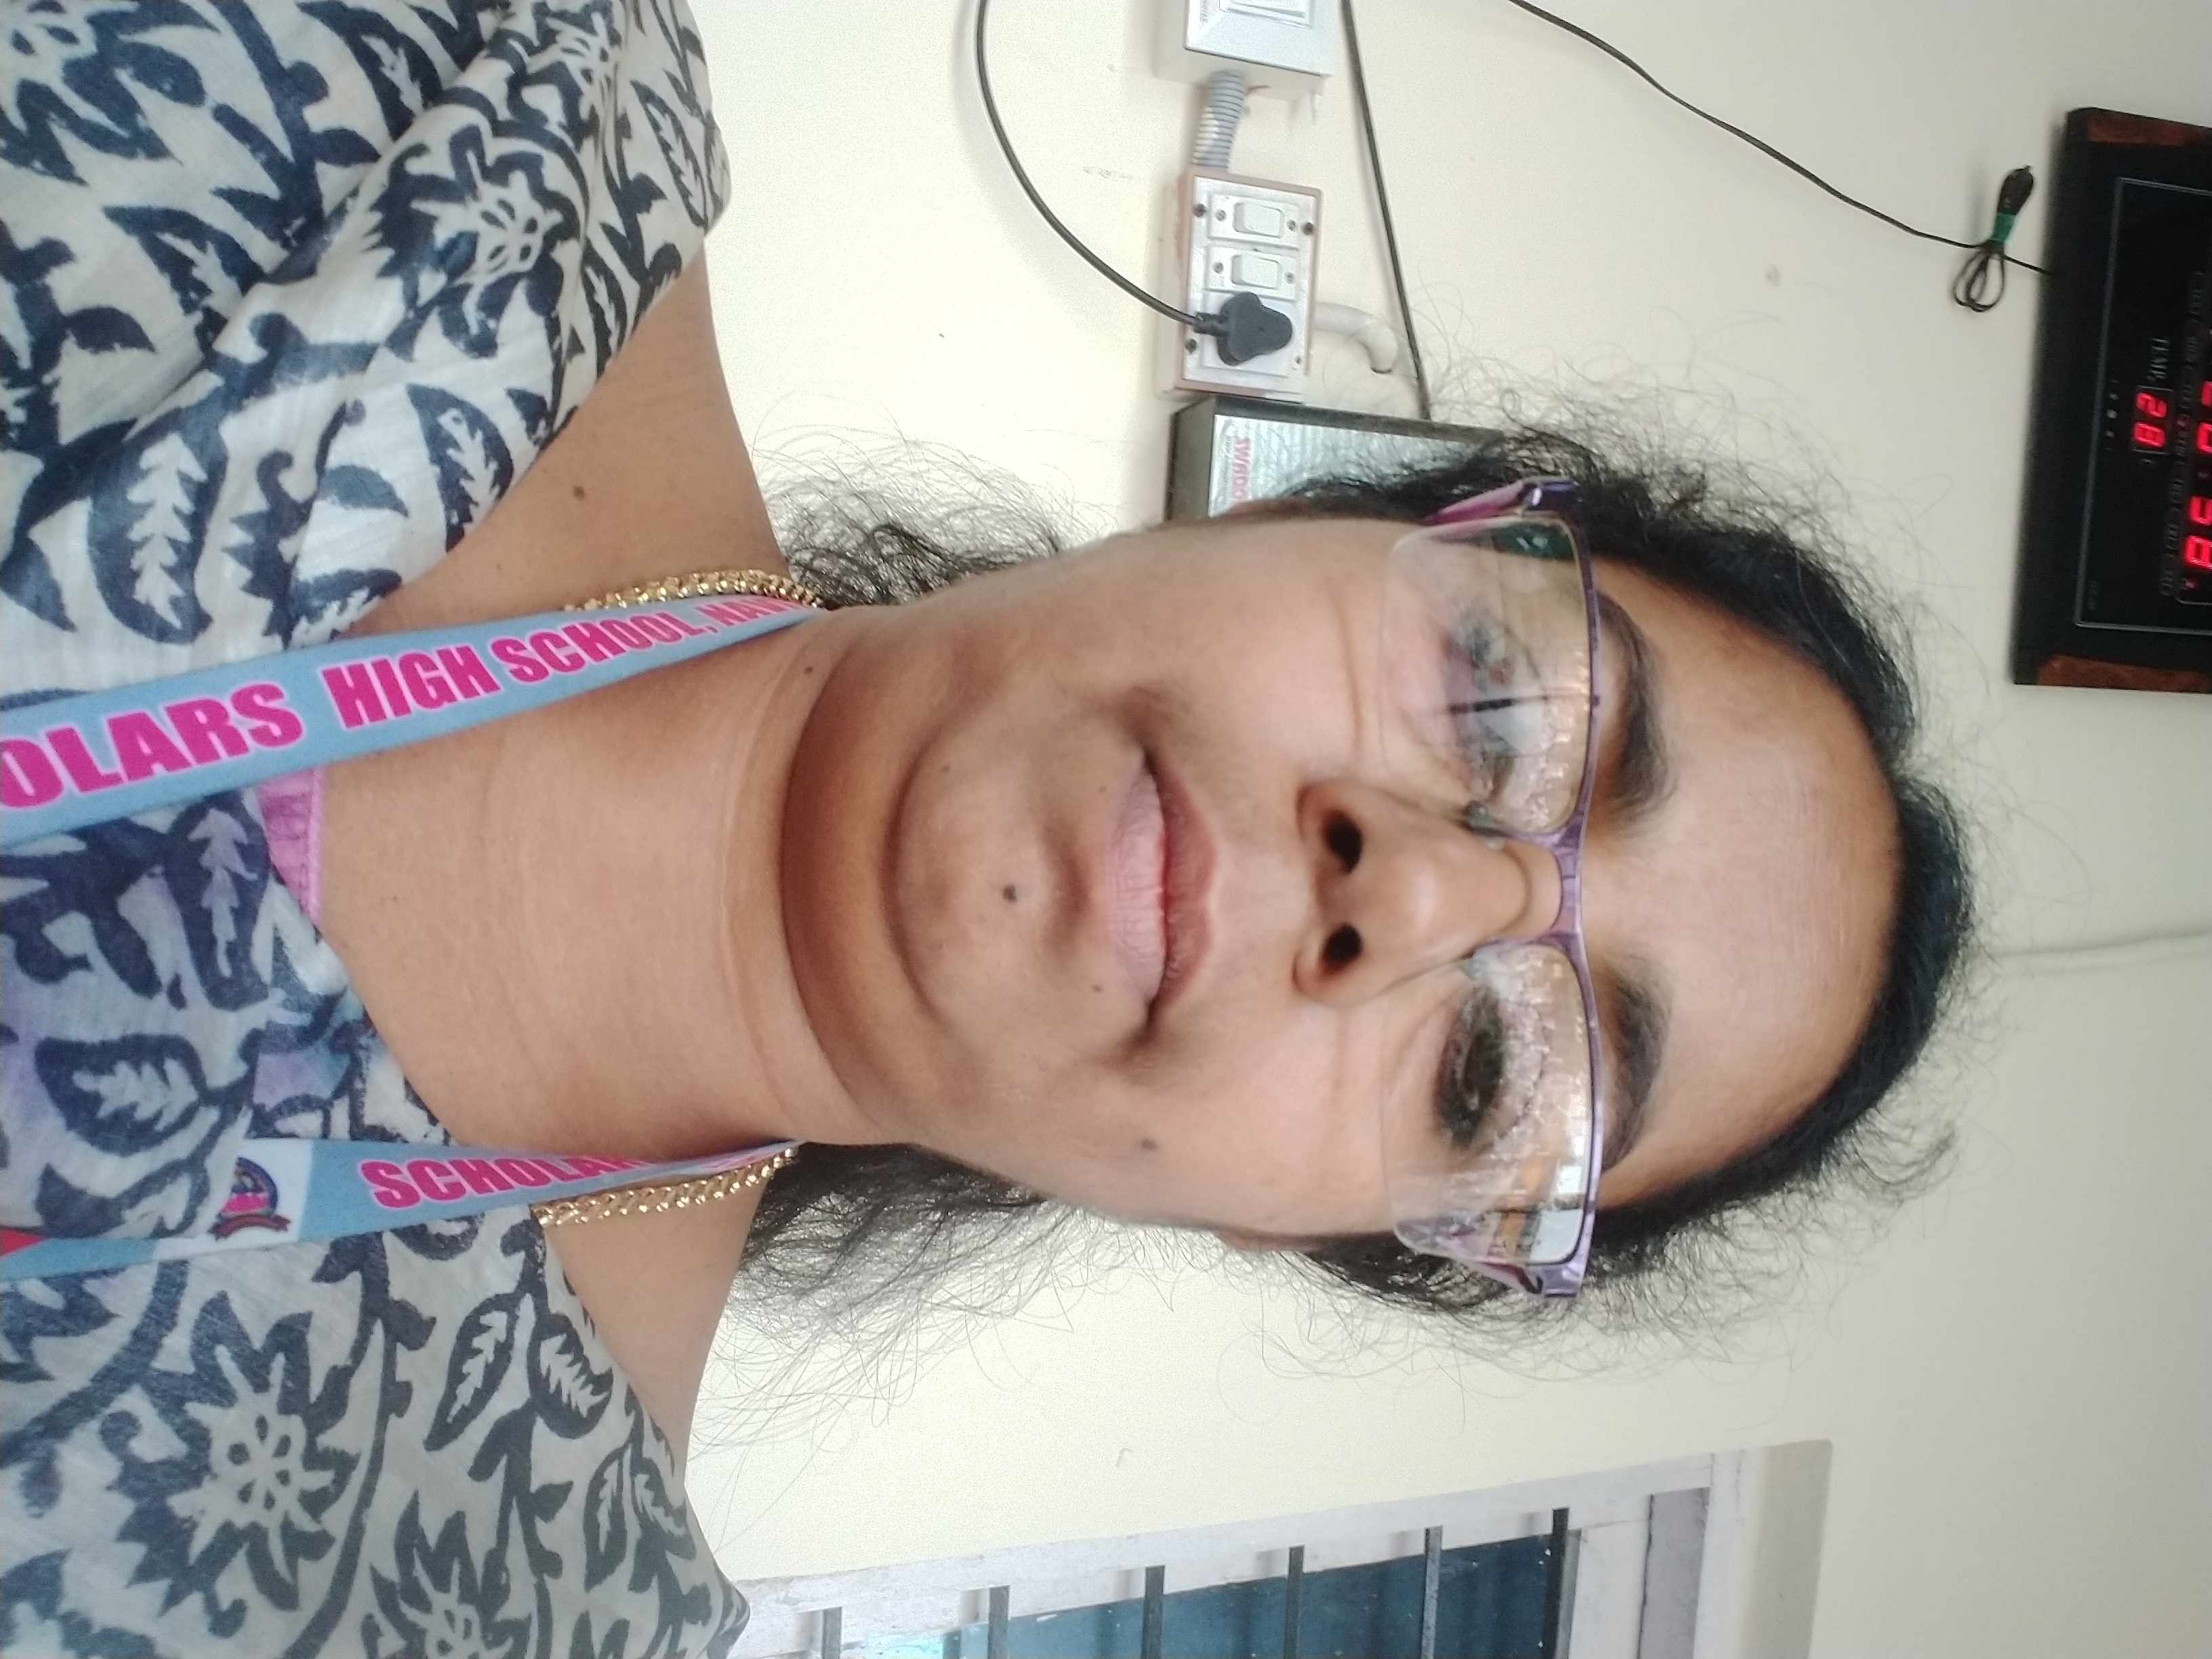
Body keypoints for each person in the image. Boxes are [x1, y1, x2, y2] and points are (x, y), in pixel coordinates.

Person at [0, 3, 1971, 1654]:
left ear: (1285, 1232)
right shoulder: (479, 81)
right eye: (1497, 690)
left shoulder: (487, 1596)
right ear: (1307, 510)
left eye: (1487, 1079)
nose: (1424, 884)